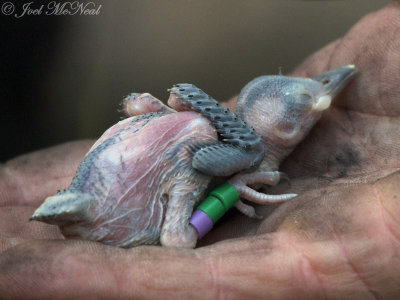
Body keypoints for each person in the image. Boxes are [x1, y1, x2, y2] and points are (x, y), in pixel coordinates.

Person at [1, 2, 399, 299]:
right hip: (138, 185)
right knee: (180, 234)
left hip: (118, 169)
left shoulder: (213, 131)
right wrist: (232, 189)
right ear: (286, 131)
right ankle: (90, 209)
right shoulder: (222, 147)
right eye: (308, 103)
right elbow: (201, 158)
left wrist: (229, 183)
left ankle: (81, 206)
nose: (325, 85)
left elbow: (153, 111)